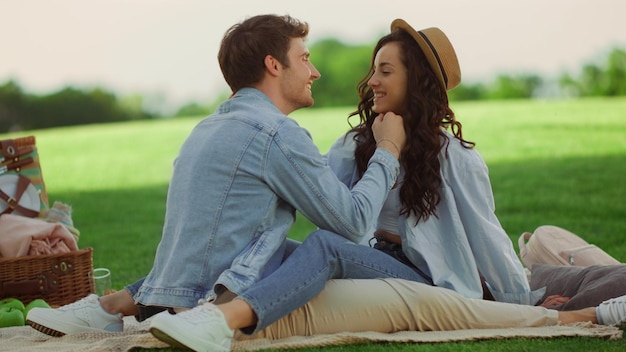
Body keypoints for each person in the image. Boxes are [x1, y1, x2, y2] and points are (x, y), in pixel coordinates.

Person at [144, 19, 626, 351]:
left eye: (386, 71)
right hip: (373, 260)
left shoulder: (454, 157)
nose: (372, 80)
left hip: (428, 277)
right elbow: (330, 208)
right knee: (292, 246)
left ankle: (224, 320)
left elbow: (486, 235)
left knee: (325, 245)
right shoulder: (356, 143)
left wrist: (520, 301)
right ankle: (148, 298)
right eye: (373, 69)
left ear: (415, 81)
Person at [26, 14, 407, 337]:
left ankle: (109, 307)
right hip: (215, 296)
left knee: (275, 243)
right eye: (304, 58)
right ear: (274, 65)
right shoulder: (277, 133)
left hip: (182, 290)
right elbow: (354, 224)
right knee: (320, 244)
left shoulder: (207, 127)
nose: (315, 71)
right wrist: (388, 150)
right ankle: (186, 317)